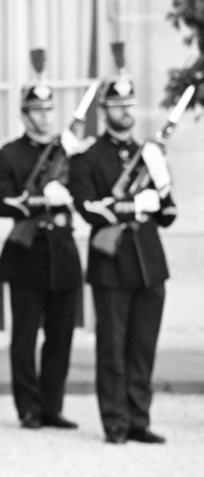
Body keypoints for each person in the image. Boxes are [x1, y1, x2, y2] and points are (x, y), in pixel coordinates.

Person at [68, 42, 175, 445]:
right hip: (111, 263)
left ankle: (138, 419)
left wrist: (160, 186)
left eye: (130, 103)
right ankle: (114, 421)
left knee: (142, 347)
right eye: (117, 105)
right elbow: (90, 211)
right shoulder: (88, 157)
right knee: (112, 351)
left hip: (150, 262)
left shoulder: (150, 155)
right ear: (105, 110)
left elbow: (168, 213)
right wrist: (134, 205)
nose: (126, 111)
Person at [0, 49, 82, 430]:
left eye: (49, 110)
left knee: (60, 336)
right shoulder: (6, 155)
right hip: (27, 255)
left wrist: (81, 162)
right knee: (25, 337)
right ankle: (28, 407)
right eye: (37, 111)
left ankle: (52, 406)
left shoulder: (71, 154)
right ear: (25, 114)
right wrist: (44, 198)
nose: (45, 116)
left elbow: (88, 191)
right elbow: (0, 203)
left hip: (64, 252)